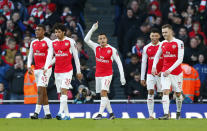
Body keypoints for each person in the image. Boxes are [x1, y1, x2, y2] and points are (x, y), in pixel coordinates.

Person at [84, 22, 126, 120]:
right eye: (100, 39)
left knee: (103, 92)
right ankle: (111, 114)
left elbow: (119, 63)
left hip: (107, 75)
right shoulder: (96, 47)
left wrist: (122, 76)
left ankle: (100, 114)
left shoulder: (112, 49)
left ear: (106, 39)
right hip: (98, 75)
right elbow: (86, 40)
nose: (102, 40)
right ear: (98, 40)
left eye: (104, 38)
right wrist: (93, 29)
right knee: (103, 95)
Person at [44, 23, 82, 120]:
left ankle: (60, 113)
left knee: (64, 90)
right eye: (55, 32)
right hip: (57, 72)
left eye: (59, 32)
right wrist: (46, 67)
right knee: (61, 93)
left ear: (64, 32)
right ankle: (68, 115)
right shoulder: (53, 43)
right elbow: (52, 56)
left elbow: (76, 57)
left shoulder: (70, 41)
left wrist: (78, 71)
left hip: (68, 71)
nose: (57, 34)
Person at [152, 24, 184, 120]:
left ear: (171, 31)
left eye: (166, 32)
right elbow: (157, 56)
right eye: (163, 33)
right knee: (165, 91)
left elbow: (180, 59)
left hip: (176, 73)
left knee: (178, 94)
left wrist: (170, 70)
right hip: (165, 72)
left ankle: (178, 112)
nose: (164, 34)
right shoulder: (162, 43)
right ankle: (166, 114)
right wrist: (154, 67)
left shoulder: (179, 43)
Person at [27, 24, 52, 119]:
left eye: (39, 30)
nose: (36, 31)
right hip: (36, 69)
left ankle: (36, 113)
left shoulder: (48, 42)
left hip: (45, 70)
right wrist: (29, 66)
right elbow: (30, 55)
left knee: (40, 91)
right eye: (36, 30)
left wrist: (46, 67)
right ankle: (48, 114)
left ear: (44, 31)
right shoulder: (33, 42)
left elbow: (50, 55)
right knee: (43, 92)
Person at [141, 28, 163, 120]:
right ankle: (150, 115)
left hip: (161, 74)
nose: (154, 37)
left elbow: (167, 60)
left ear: (159, 36)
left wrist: (163, 70)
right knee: (150, 91)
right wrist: (142, 77)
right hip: (150, 73)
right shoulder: (146, 47)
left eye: (156, 36)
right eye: (152, 36)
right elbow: (144, 62)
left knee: (163, 93)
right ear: (150, 36)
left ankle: (167, 113)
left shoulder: (163, 45)